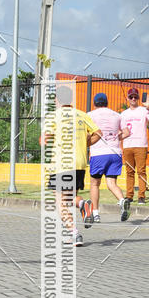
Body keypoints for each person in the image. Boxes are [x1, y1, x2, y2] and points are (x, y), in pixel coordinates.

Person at [40, 83, 102, 247]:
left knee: (59, 203)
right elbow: (98, 133)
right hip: (80, 164)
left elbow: (44, 140)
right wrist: (85, 143)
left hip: (61, 164)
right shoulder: (81, 114)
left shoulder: (54, 116)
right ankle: (83, 204)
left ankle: (75, 234)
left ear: (57, 99)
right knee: (69, 199)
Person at [89, 92, 131, 222]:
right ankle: (122, 200)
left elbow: (87, 133)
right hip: (115, 152)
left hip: (98, 153)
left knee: (95, 184)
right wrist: (117, 138)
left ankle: (95, 214)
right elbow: (127, 132)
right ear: (107, 102)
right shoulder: (117, 115)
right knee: (111, 183)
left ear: (95, 103)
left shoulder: (90, 115)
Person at [121, 87, 149, 204]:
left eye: (135, 97)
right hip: (127, 145)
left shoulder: (144, 111)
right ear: (127, 98)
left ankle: (141, 196)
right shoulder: (123, 114)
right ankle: (129, 196)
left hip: (141, 145)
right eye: (131, 97)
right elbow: (121, 130)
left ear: (138, 98)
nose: (133, 99)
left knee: (141, 171)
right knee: (129, 172)